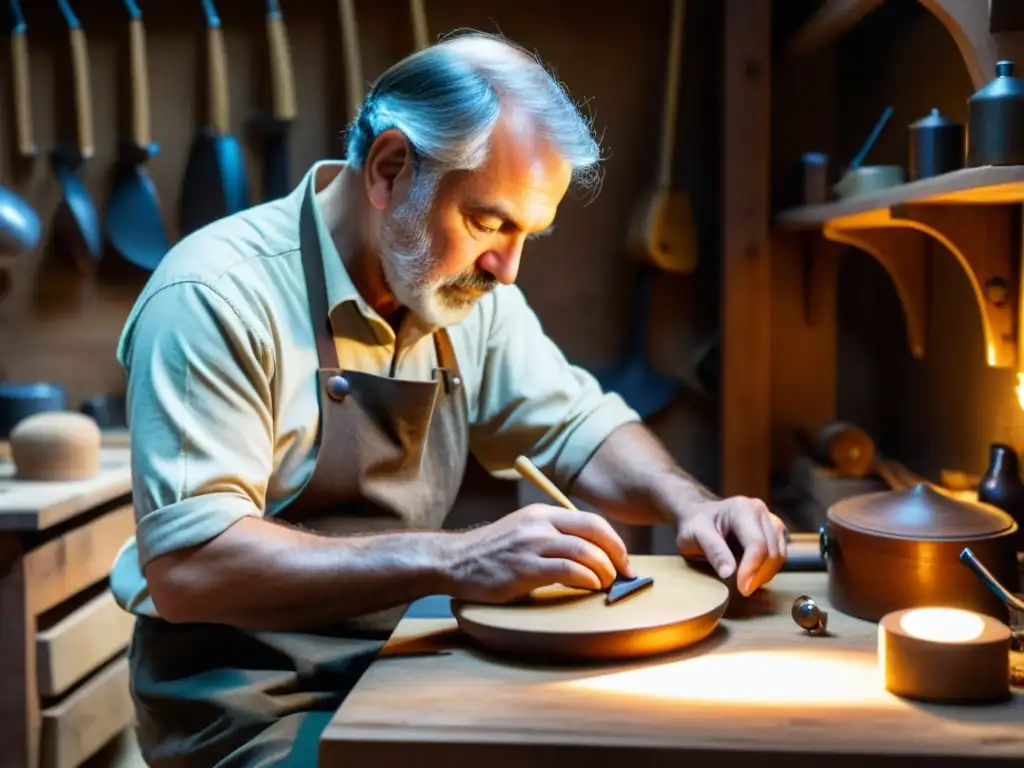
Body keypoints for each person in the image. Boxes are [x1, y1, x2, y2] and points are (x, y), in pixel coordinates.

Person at [110, 31, 787, 767]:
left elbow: (576, 428)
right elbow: (190, 570)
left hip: (398, 660)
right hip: (247, 700)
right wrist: (456, 559)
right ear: (391, 169)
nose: (509, 268)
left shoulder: (459, 293)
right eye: (489, 222)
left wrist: (689, 504)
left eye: (529, 232)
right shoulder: (214, 296)